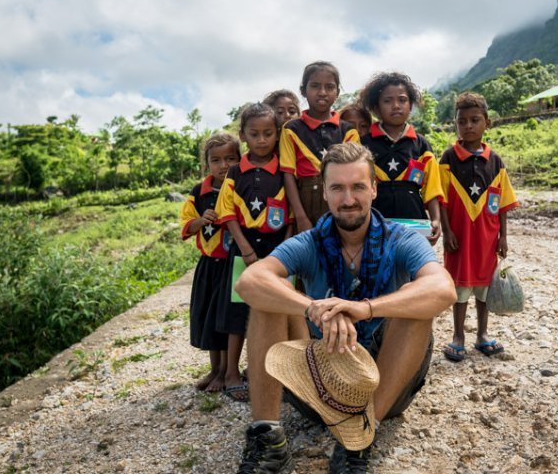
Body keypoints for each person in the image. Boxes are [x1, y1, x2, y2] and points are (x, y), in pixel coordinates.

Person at [234, 143, 456, 473]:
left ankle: (363, 436)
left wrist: (364, 309)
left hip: (386, 385)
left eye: (357, 187)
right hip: (321, 384)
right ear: (324, 192)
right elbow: (248, 281)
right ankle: (268, 437)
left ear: (374, 189)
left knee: (416, 302)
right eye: (337, 188)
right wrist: (316, 309)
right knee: (270, 295)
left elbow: (443, 289)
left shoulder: (401, 238)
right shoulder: (309, 241)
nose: (348, 199)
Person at [214, 103, 294, 401]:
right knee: (239, 310)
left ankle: (279, 372)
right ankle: (232, 372)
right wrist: (245, 250)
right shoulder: (236, 172)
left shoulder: (284, 172)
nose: (262, 140)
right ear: (243, 135)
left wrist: (284, 251)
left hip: (277, 250)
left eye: (268, 133)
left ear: (278, 134)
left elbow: (290, 217)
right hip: (243, 249)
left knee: (277, 308)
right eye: (254, 134)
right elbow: (227, 213)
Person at [439, 92, 519, 362]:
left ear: (487, 122)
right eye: (462, 121)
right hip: (459, 237)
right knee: (460, 289)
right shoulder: (448, 158)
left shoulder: (495, 161)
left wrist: (503, 236)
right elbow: (441, 198)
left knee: (484, 287)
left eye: (475, 120)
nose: (469, 126)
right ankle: (458, 336)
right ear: (455, 124)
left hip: (486, 237)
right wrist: (447, 231)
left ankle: (482, 334)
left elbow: (504, 202)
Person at [179, 133, 241, 392]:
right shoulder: (198, 193)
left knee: (225, 318)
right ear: (206, 164)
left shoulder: (241, 184)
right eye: (215, 160)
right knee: (207, 316)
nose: (223, 165)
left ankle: (228, 370)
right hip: (209, 264)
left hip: (231, 263)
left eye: (229, 158)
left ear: (239, 159)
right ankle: (215, 369)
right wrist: (200, 220)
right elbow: (186, 226)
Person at [359, 71, 443, 245]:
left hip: (415, 221)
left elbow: (432, 188)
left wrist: (435, 219)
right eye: (387, 101)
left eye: (402, 100)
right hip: (374, 222)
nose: (396, 105)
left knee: (412, 268)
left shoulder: (421, 145)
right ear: (376, 107)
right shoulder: (363, 144)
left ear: (411, 106)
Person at [280, 61, 360, 233]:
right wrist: (300, 217)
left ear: (337, 93)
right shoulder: (291, 130)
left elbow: (355, 173)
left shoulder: (348, 131)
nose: (322, 92)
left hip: (340, 197)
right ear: (303, 90)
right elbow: (288, 175)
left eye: (329, 87)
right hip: (304, 202)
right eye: (315, 86)